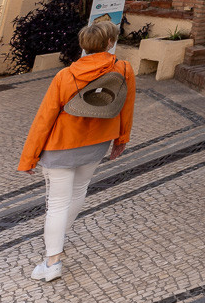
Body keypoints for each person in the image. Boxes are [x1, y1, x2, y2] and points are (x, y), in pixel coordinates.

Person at [18, 18, 135, 282]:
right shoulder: (124, 68)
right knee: (79, 192)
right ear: (109, 42)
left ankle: (52, 262)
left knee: (57, 204)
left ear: (84, 44)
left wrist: (29, 158)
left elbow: (45, 118)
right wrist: (121, 139)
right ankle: (56, 243)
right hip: (97, 144)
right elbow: (126, 106)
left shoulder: (66, 76)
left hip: (61, 145)